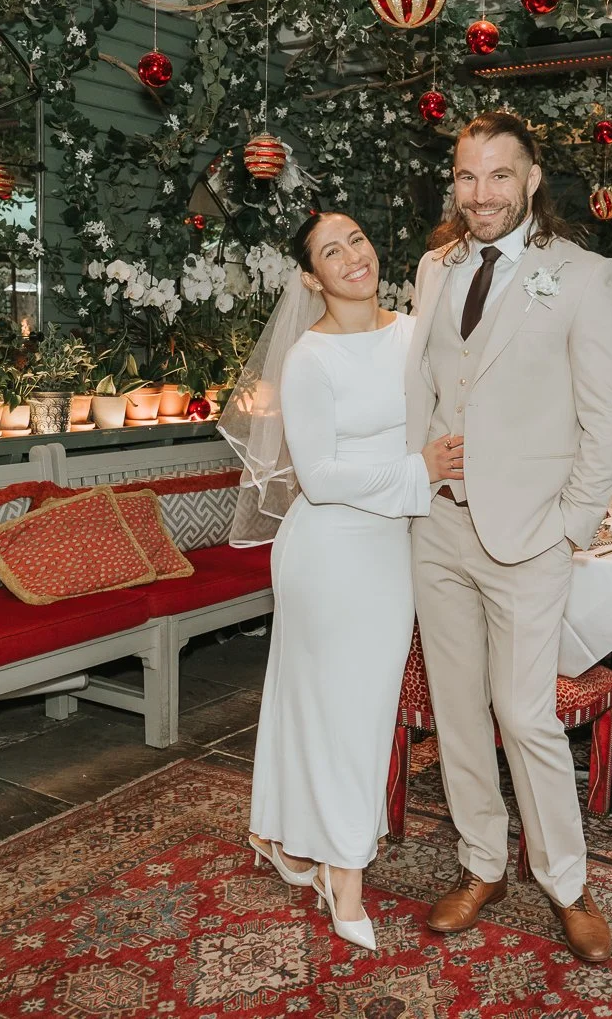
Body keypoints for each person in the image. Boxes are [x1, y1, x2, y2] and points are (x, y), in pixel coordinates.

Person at [404, 111, 612, 963]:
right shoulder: (434, 268)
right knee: (457, 711)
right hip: (438, 525)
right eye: (467, 177)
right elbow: (420, 386)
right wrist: (411, 474)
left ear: (533, 179)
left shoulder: (584, 275)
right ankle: (480, 862)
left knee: (525, 713)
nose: (482, 193)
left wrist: (572, 525)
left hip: (531, 533)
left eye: (499, 175)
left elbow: (607, 415)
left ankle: (567, 884)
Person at [217, 211, 464, 951]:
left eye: (356, 238)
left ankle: (284, 835)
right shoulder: (309, 359)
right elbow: (319, 479)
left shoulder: (413, 331)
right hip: (325, 554)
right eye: (331, 250)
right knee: (340, 714)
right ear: (309, 276)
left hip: (390, 550)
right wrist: (419, 469)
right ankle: (343, 873)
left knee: (343, 707)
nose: (352, 256)